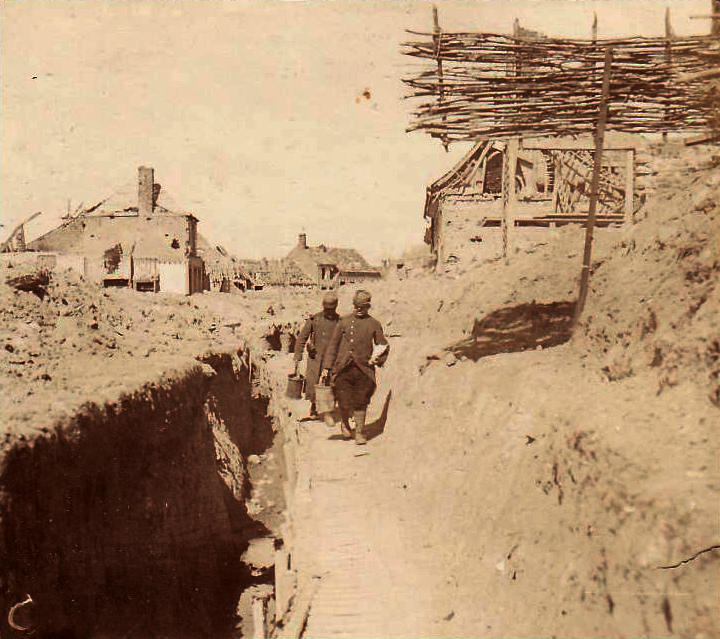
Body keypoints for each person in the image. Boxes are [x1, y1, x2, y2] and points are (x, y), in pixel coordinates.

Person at [321, 289, 389, 444]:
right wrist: (327, 367)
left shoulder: (374, 324)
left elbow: (383, 345)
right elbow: (333, 345)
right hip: (343, 369)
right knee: (344, 400)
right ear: (353, 305)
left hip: (364, 370)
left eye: (362, 307)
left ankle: (359, 432)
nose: (359, 309)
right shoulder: (344, 322)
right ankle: (345, 425)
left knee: (361, 401)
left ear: (368, 307)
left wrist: (377, 359)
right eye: (356, 306)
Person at [293, 292, 340, 419]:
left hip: (333, 357)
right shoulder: (315, 319)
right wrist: (298, 354)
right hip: (316, 357)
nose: (328, 312)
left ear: (335, 307)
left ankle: (329, 408)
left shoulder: (340, 322)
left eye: (331, 309)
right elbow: (302, 338)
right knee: (313, 381)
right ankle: (313, 406)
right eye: (326, 309)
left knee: (331, 382)